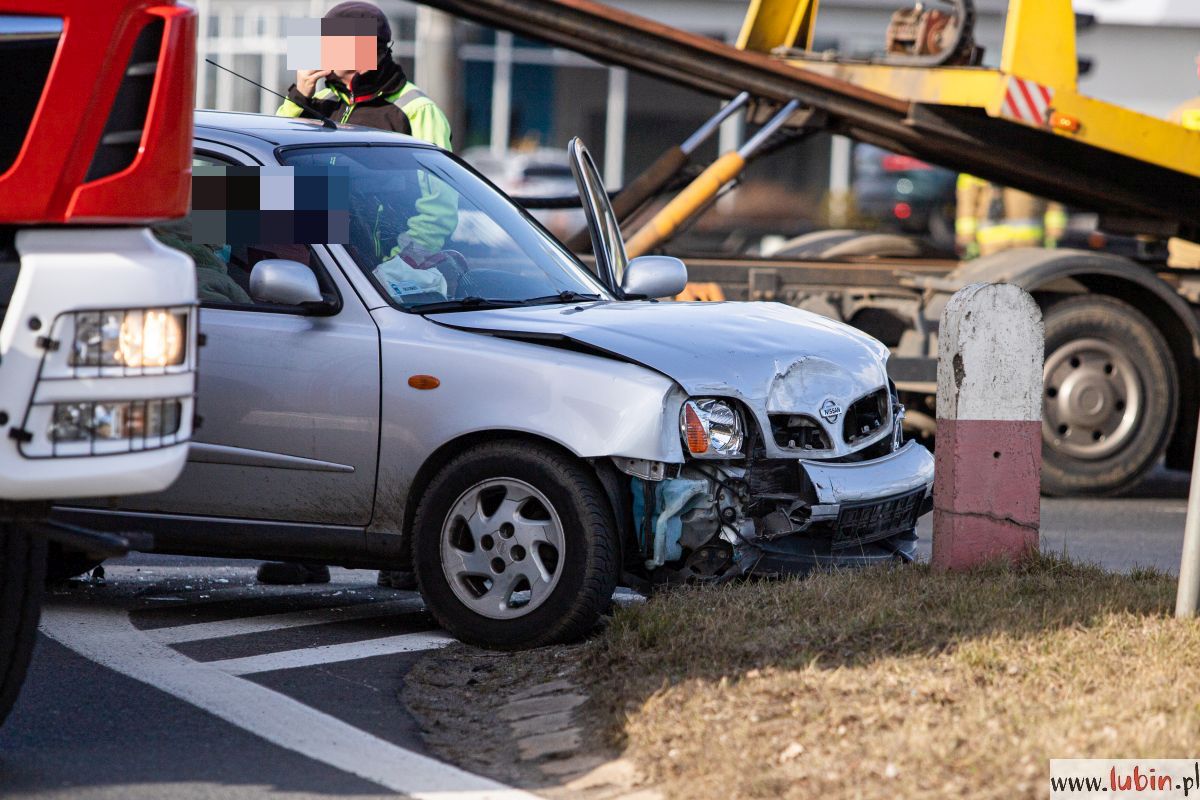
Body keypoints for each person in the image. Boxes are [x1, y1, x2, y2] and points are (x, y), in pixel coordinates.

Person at [256, 0, 454, 589]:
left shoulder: (416, 111)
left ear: (376, 55)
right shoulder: (317, 104)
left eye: (345, 55)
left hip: (395, 279)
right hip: (321, 281)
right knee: (303, 412)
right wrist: (299, 95)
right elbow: (271, 173)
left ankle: (408, 553)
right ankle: (300, 546)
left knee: (403, 418)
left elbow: (440, 199)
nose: (335, 67)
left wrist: (406, 262)